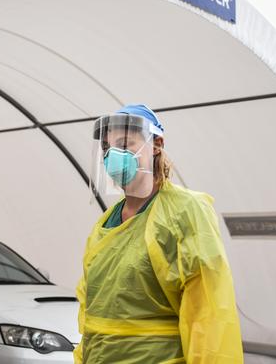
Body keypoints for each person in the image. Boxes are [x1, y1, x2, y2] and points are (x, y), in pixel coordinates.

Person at [74, 105, 243, 363]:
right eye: (107, 148)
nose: (113, 155)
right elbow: (90, 312)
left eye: (125, 143)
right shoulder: (105, 224)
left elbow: (208, 313)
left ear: (156, 144)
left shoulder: (185, 211)